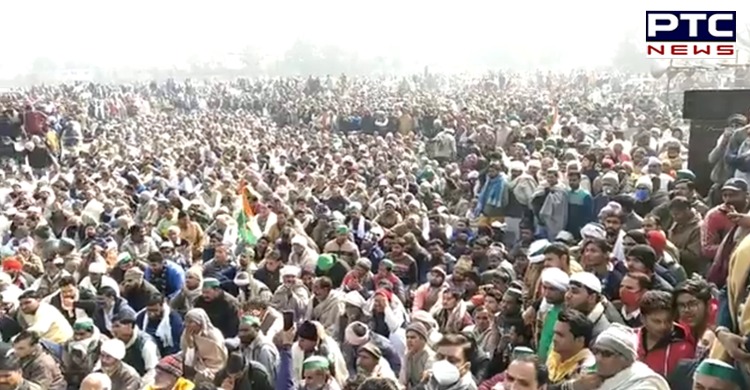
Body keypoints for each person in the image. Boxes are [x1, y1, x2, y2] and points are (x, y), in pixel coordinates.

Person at [592, 323, 669, 390]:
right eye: (596, 351)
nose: (598, 358)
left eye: (606, 354)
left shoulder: (644, 385)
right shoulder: (589, 377)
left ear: (625, 359)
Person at [637, 290, 695, 377]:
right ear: (642, 319)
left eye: (668, 321)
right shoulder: (629, 340)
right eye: (656, 321)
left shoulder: (684, 349)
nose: (663, 326)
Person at [546, 309, 595, 388]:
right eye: (555, 333)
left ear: (580, 341)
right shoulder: (556, 353)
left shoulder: (587, 368)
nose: (554, 338)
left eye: (560, 335)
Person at [111, 313, 160, 383]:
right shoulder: (115, 342)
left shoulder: (146, 344)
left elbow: (153, 372)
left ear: (129, 326)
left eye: (117, 326)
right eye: (112, 327)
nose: (113, 330)